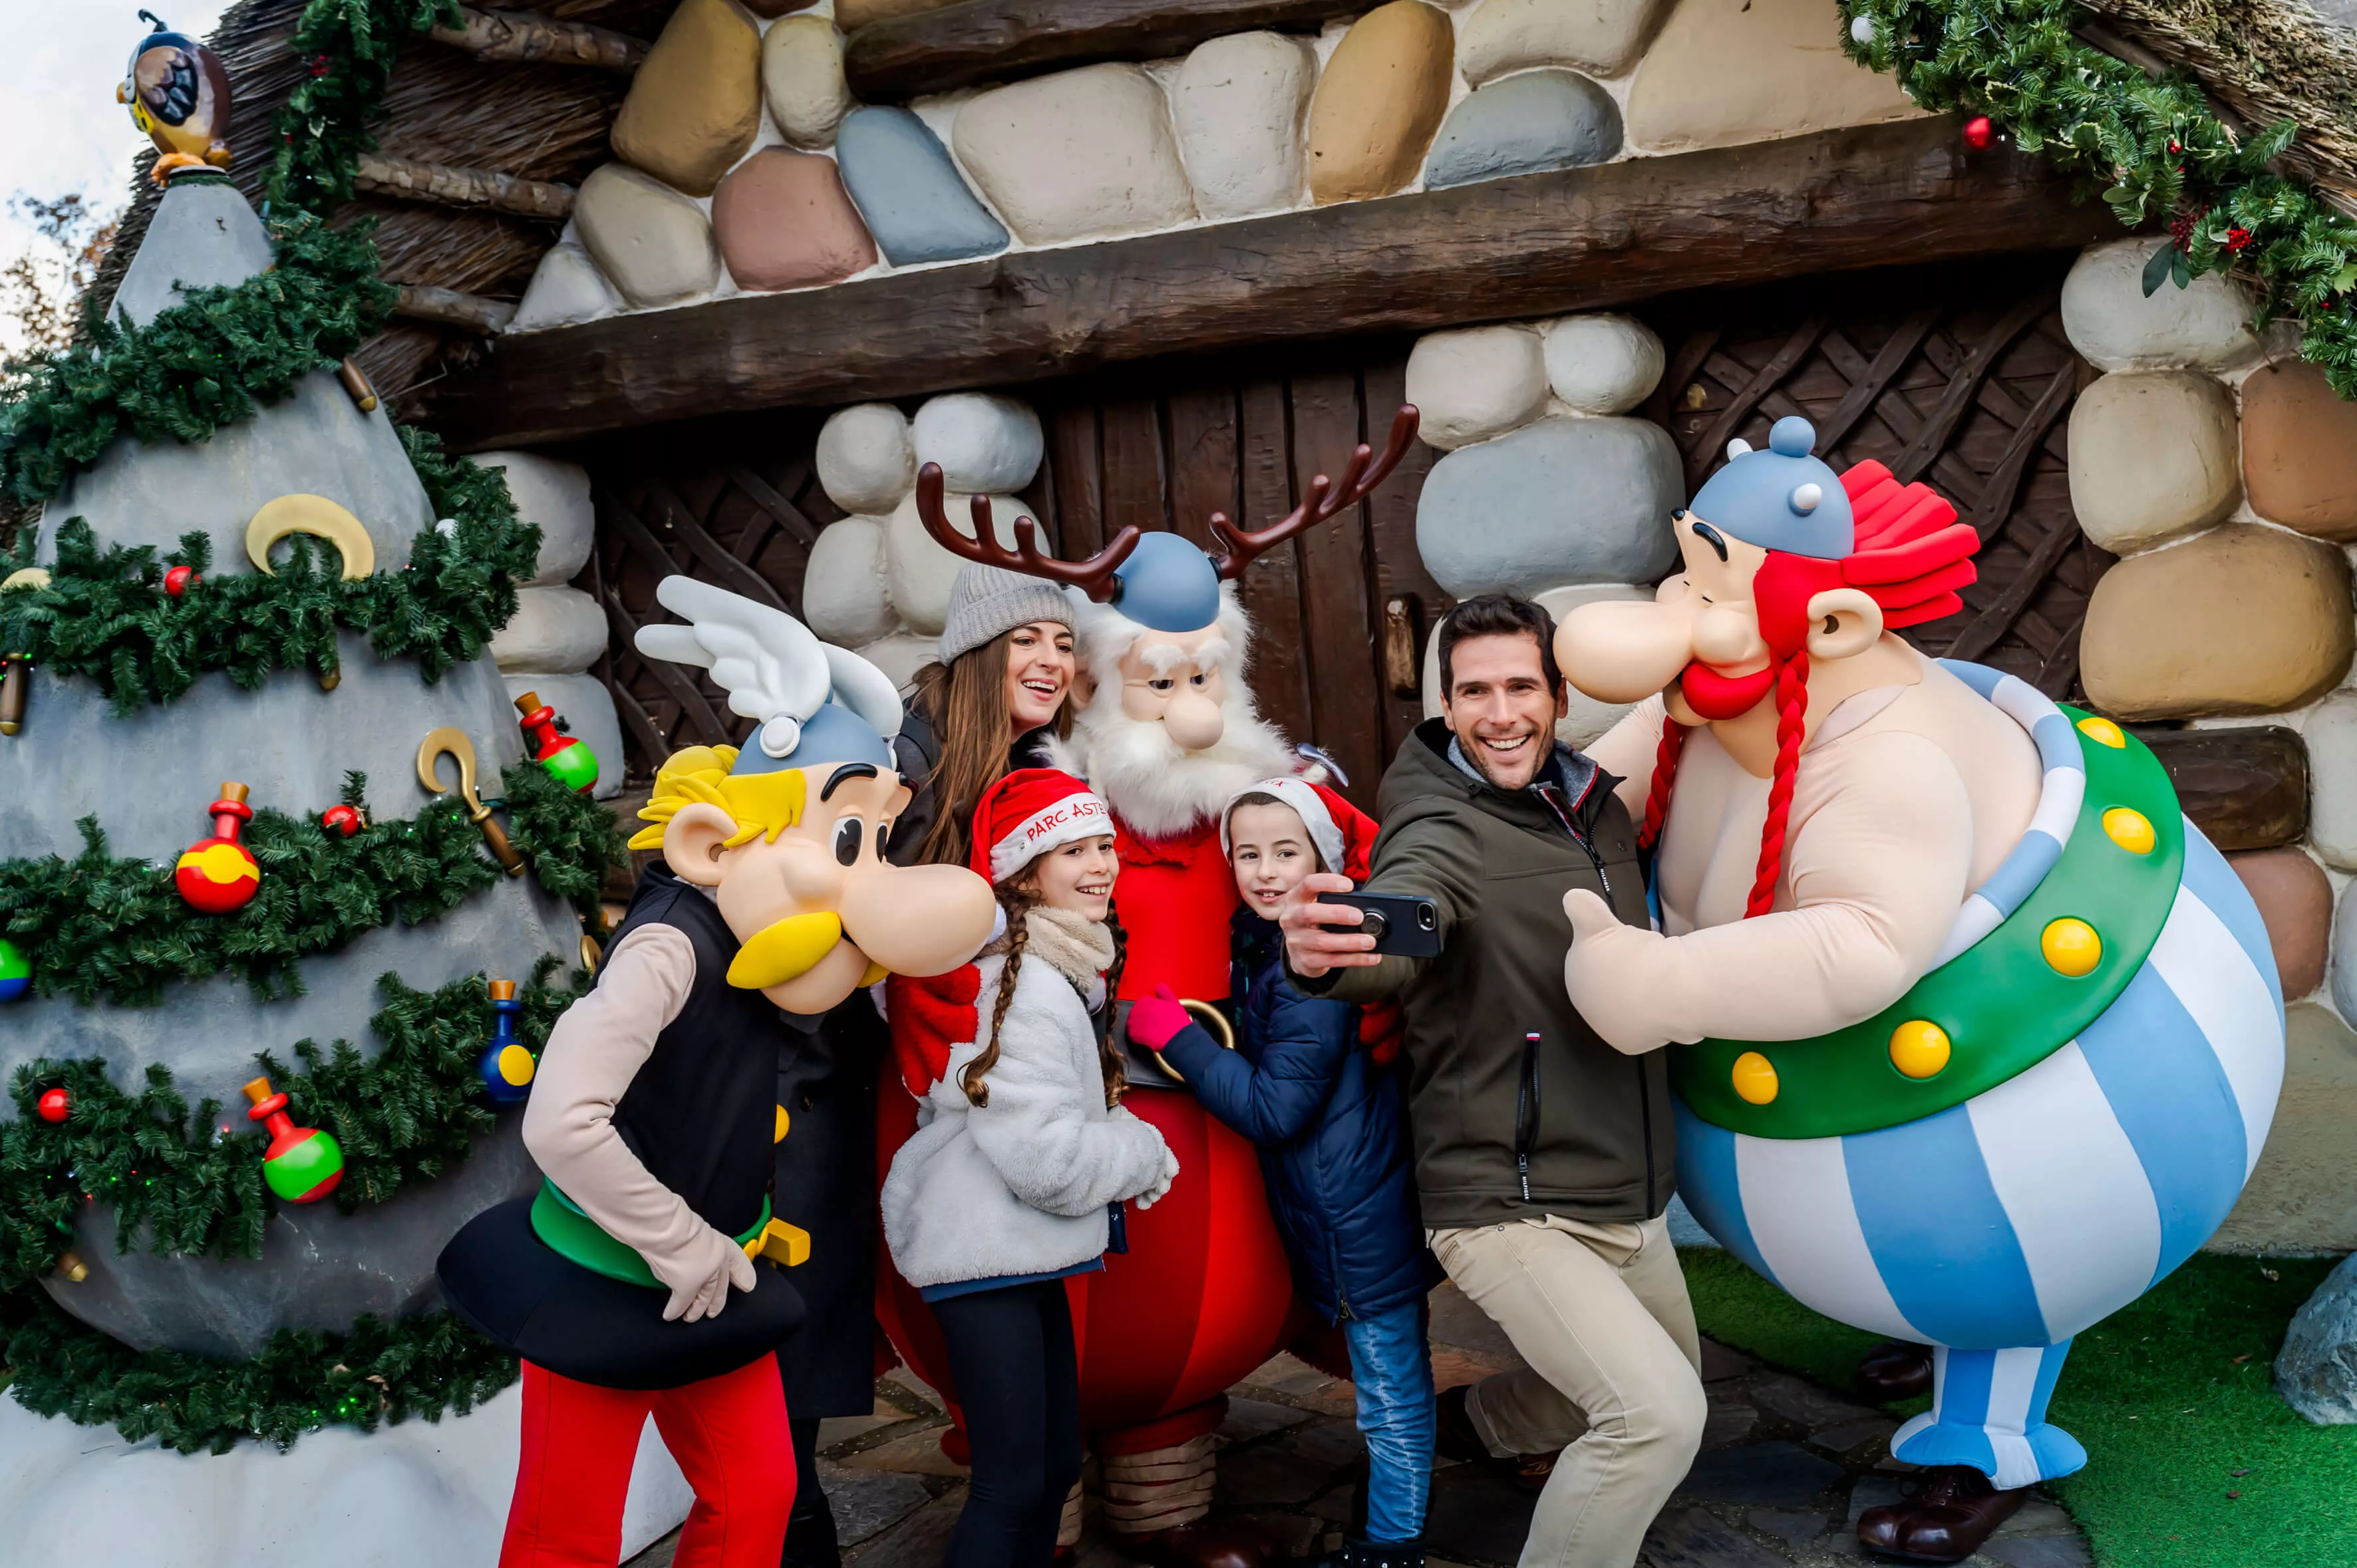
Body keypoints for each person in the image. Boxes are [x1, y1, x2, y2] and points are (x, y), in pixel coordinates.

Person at [1279, 592, 1699, 1568]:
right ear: (1445, 704)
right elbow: (1400, 921)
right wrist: (1329, 953)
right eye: (1473, 691)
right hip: (1504, 1200)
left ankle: (1458, 1428)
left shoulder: (1594, 805)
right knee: (1653, 1419)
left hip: (1622, 1186)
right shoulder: (1435, 825)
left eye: (1519, 686)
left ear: (1557, 696)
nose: (1498, 712)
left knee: (1646, 1385)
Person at [778, 561, 1083, 1568]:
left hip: (960, 1102)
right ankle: (792, 1518)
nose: (1049, 660)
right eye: (1028, 638)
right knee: (808, 1312)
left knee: (1041, 1448)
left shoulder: (1025, 765)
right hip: (840, 1083)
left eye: (1064, 643)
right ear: (973, 651)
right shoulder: (893, 758)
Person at [1130, 778, 1434, 1568]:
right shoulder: (1270, 945)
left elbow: (1274, 1109)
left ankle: (1395, 1543)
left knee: (1390, 1390)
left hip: (1358, 1216)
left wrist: (1183, 1042)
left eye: (1286, 851)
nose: (1265, 871)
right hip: (1347, 1203)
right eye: (1248, 853)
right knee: (1387, 1380)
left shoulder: (1315, 968)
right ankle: (1394, 1511)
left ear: (1326, 860)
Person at [881, 768, 1180, 1568]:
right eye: (1072, 849)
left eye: (1105, 844)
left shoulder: (1054, 963)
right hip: (983, 1254)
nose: (1100, 863)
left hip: (1014, 1252)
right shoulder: (1024, 986)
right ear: (1022, 872)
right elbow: (1045, 1160)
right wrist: (1143, 1151)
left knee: (1050, 1467)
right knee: (1012, 1484)